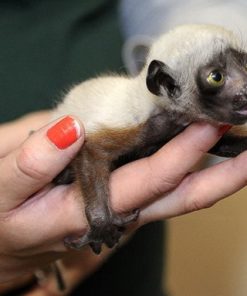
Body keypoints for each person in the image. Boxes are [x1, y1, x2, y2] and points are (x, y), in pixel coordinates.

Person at [1, 1, 247, 295]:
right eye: (216, 78)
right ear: (167, 86)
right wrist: (101, 217)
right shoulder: (138, 122)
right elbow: (92, 153)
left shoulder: (180, 117)